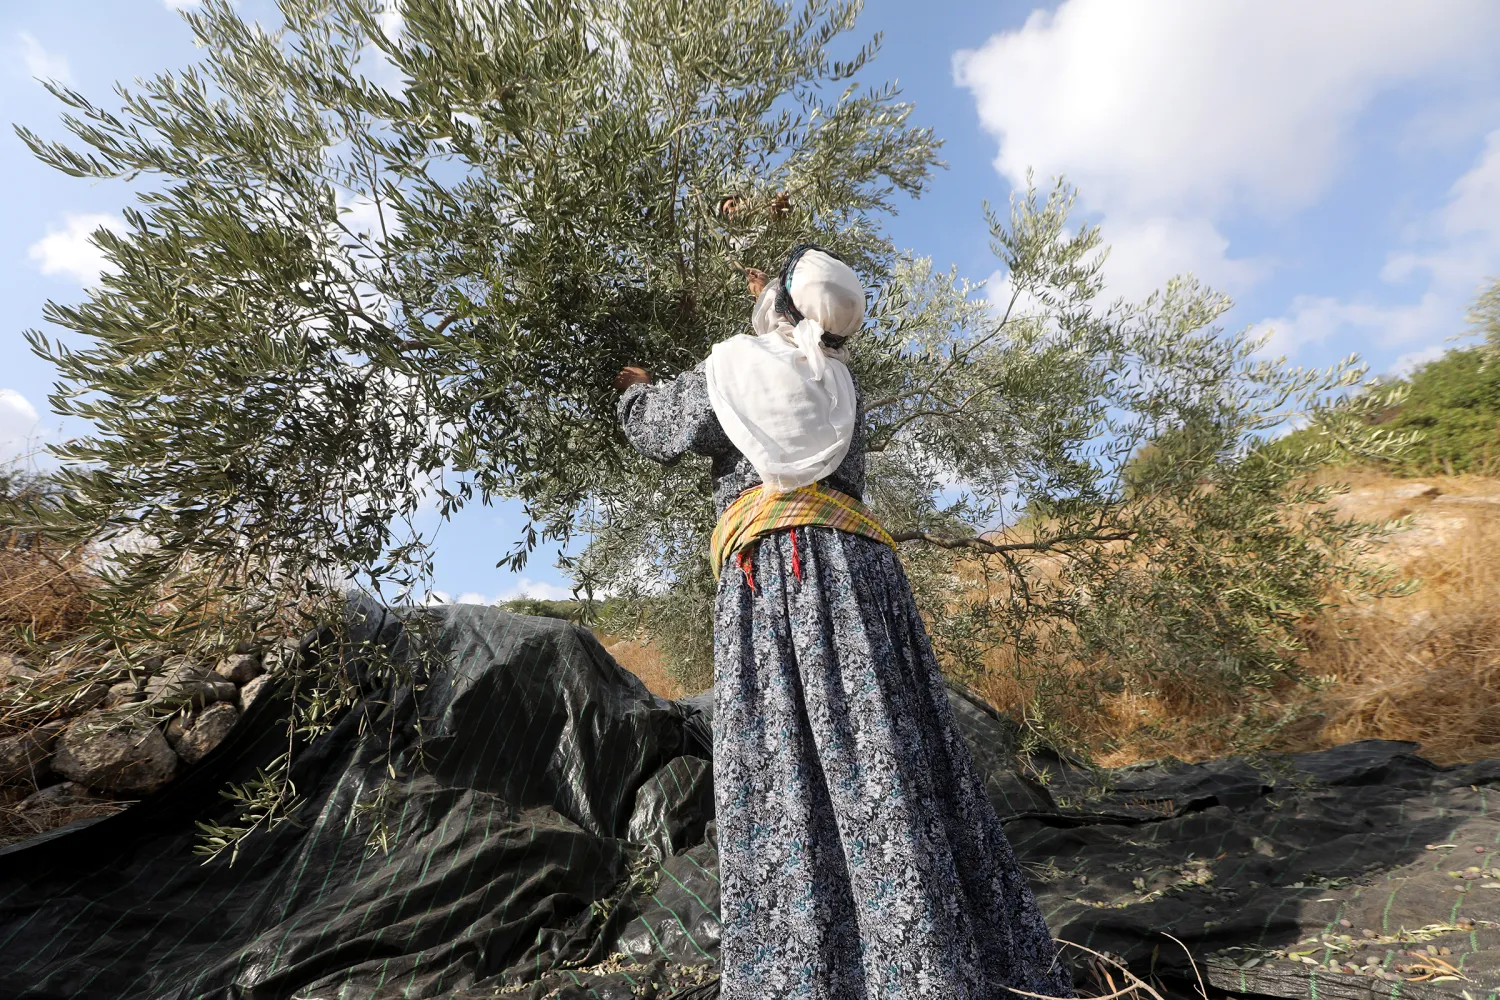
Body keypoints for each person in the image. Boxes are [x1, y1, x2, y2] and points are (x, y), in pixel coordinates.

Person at [615, 245, 1074, 1000]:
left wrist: (635, 392)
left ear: (778, 311)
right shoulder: (839, 382)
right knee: (885, 754)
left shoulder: (733, 368)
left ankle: (812, 972)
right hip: (864, 579)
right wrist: (776, 294)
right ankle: (931, 961)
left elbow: (664, 428)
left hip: (781, 581)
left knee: (787, 759)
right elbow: (792, 340)